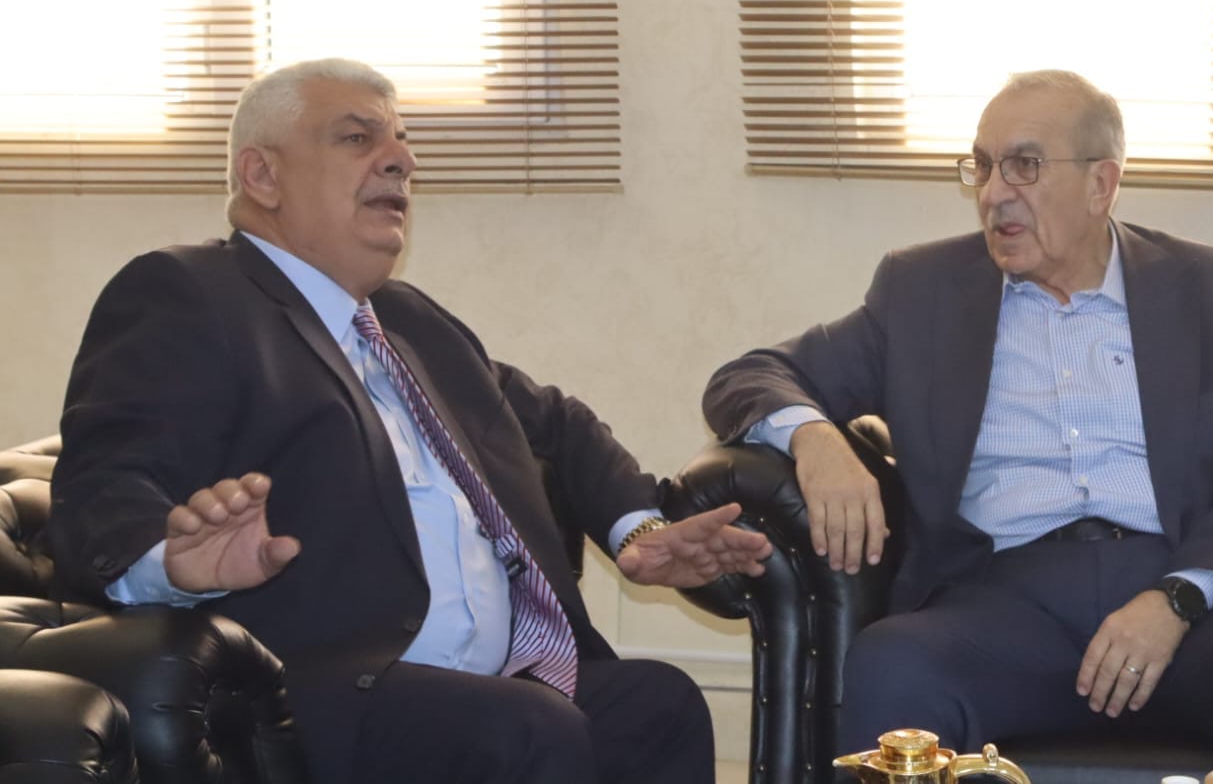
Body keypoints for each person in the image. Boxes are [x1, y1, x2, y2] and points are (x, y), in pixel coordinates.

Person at [50, 57, 772, 784]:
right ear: (262, 175)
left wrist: (638, 532)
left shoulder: (408, 321)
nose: (401, 160)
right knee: (527, 729)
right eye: (358, 138)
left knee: (658, 704)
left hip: (488, 686)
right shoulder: (188, 293)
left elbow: (555, 422)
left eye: (400, 141)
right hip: (319, 685)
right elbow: (105, 480)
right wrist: (170, 563)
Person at [702, 70, 1213, 784]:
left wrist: (1175, 598)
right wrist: (815, 439)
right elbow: (749, 376)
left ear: (1100, 184)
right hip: (1005, 607)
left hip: (1188, 600)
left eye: (1023, 165)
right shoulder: (924, 292)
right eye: (983, 166)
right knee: (893, 664)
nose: (994, 193)